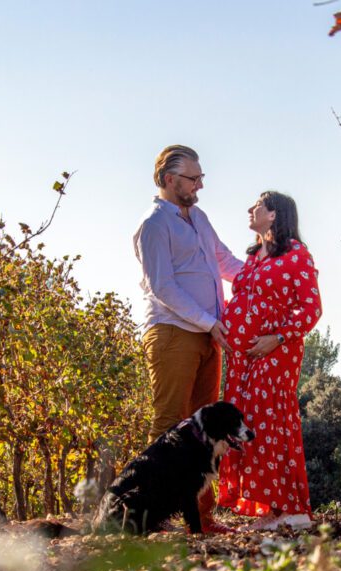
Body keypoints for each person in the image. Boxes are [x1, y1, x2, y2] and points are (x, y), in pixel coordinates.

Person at [133, 144, 244, 534]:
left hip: (208, 334)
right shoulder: (154, 224)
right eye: (193, 178)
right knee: (170, 426)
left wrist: (267, 274)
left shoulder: (199, 217)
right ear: (169, 180)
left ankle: (202, 519)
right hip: (173, 333)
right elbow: (162, 286)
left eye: (201, 177)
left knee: (206, 432)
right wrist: (207, 321)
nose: (200, 184)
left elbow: (226, 261)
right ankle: (150, 518)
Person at [217, 191, 322, 530]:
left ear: (275, 215)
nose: (251, 209)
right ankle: (267, 508)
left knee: (269, 422)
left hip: (275, 352)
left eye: (258, 205)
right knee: (245, 424)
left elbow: (311, 308)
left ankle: (288, 509)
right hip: (243, 359)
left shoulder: (296, 254)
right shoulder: (253, 257)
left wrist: (276, 338)